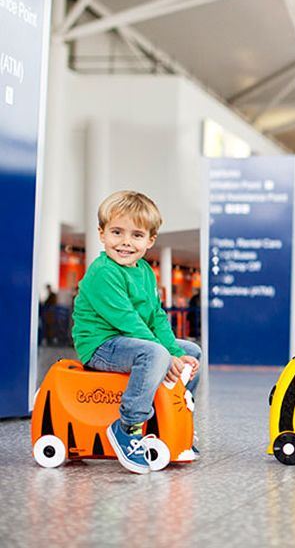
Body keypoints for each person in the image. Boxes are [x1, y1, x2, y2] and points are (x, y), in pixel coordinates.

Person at [72, 191, 201, 474]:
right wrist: (165, 355)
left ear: (150, 240)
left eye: (136, 235)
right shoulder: (103, 272)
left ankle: (176, 419)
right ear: (102, 234)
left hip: (132, 341)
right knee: (155, 352)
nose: (126, 242)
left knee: (192, 351)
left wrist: (176, 354)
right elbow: (128, 321)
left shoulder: (143, 271)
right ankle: (127, 426)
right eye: (117, 232)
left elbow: (155, 317)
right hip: (101, 345)